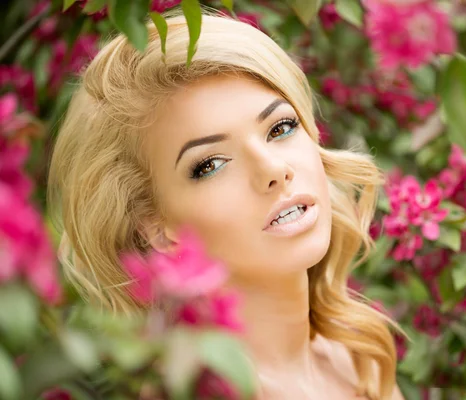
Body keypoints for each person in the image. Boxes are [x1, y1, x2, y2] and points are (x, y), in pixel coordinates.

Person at [47, 9, 405, 400]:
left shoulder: (358, 357)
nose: (273, 169)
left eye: (280, 127)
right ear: (154, 227)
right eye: (210, 165)